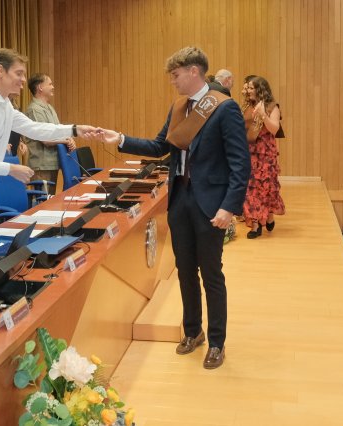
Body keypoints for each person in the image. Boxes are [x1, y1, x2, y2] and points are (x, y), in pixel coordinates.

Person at [92, 46, 250, 369]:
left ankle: (217, 342)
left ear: (194, 72)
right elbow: (159, 146)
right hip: (180, 200)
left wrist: (229, 207)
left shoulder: (225, 108)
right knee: (185, 271)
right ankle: (193, 332)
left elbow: (240, 164)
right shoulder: (178, 107)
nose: (173, 82)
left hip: (210, 204)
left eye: (176, 75)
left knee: (211, 274)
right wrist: (119, 139)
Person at [0, 48, 100, 248]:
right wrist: (10, 169)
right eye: (19, 73)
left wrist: (75, 129)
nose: (24, 80)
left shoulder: (4, 104)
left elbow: (34, 128)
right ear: (0, 71)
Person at [241, 76, 285, 238]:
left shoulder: (272, 106)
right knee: (250, 188)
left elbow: (274, 129)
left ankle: (269, 214)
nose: (248, 90)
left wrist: (263, 114)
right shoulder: (247, 106)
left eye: (251, 88)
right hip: (249, 152)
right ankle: (255, 225)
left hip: (266, 154)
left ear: (260, 89)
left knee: (266, 187)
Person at [24, 73, 76, 195]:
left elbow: (58, 131)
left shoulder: (49, 108)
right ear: (40, 87)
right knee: (42, 201)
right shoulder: (34, 109)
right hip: (41, 165)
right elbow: (45, 139)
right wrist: (65, 141)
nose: (53, 87)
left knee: (50, 198)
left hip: (52, 163)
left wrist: (70, 138)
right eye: (50, 84)